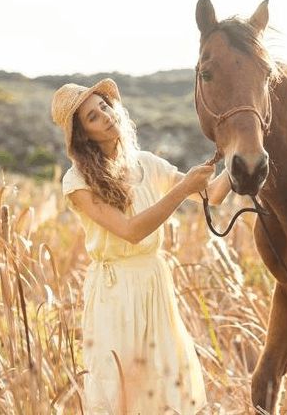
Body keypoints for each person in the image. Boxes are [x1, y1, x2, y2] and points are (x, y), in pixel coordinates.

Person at [51, 78, 231, 414]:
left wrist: (237, 155)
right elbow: (131, 231)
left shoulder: (146, 163)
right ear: (83, 136)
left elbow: (213, 195)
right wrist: (181, 189)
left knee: (163, 380)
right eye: (93, 117)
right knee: (120, 384)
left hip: (154, 283)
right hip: (116, 290)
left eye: (105, 106)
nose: (105, 115)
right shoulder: (77, 181)